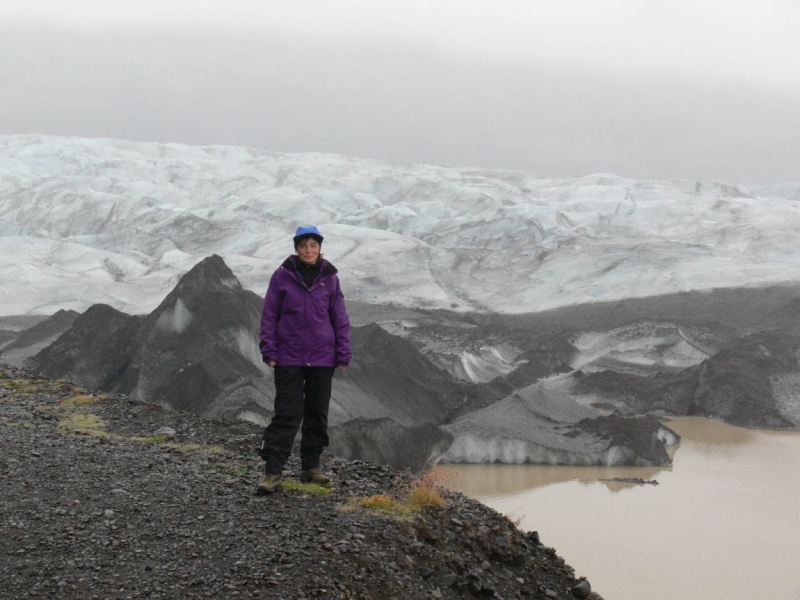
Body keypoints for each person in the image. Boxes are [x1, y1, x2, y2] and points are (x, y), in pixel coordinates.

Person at [256, 226, 352, 494]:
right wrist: (269, 350)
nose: (309, 250)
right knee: (287, 413)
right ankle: (273, 473)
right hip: (289, 356)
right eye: (303, 246)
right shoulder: (282, 276)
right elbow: (269, 315)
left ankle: (311, 467)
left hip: (322, 357)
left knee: (317, 413)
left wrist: (343, 351)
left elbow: (339, 318)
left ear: (320, 247)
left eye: (313, 245)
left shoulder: (330, 279)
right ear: (296, 248)